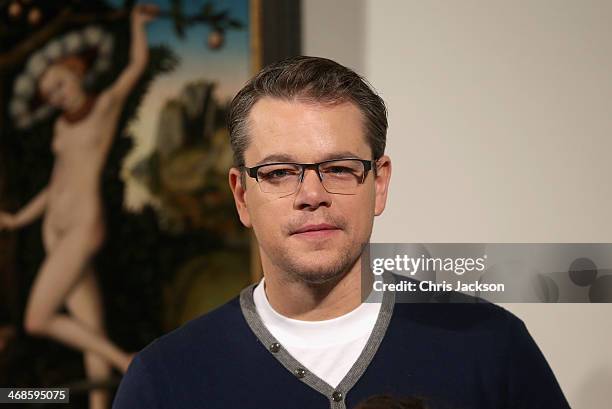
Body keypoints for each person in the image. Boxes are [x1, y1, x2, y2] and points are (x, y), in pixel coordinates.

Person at [112, 56, 571, 409]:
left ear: (380, 183)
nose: (312, 194)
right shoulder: (165, 381)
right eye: (278, 172)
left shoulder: (490, 347)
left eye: (339, 168)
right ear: (240, 195)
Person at [0, 4, 158, 409]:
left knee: (38, 319)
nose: (58, 94)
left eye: (61, 83)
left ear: (76, 72)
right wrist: (19, 219)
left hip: (83, 225)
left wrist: (137, 26)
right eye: (50, 92)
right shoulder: (59, 125)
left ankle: (126, 360)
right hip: (56, 228)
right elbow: (55, 186)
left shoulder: (103, 108)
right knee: (89, 327)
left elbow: (135, 67)